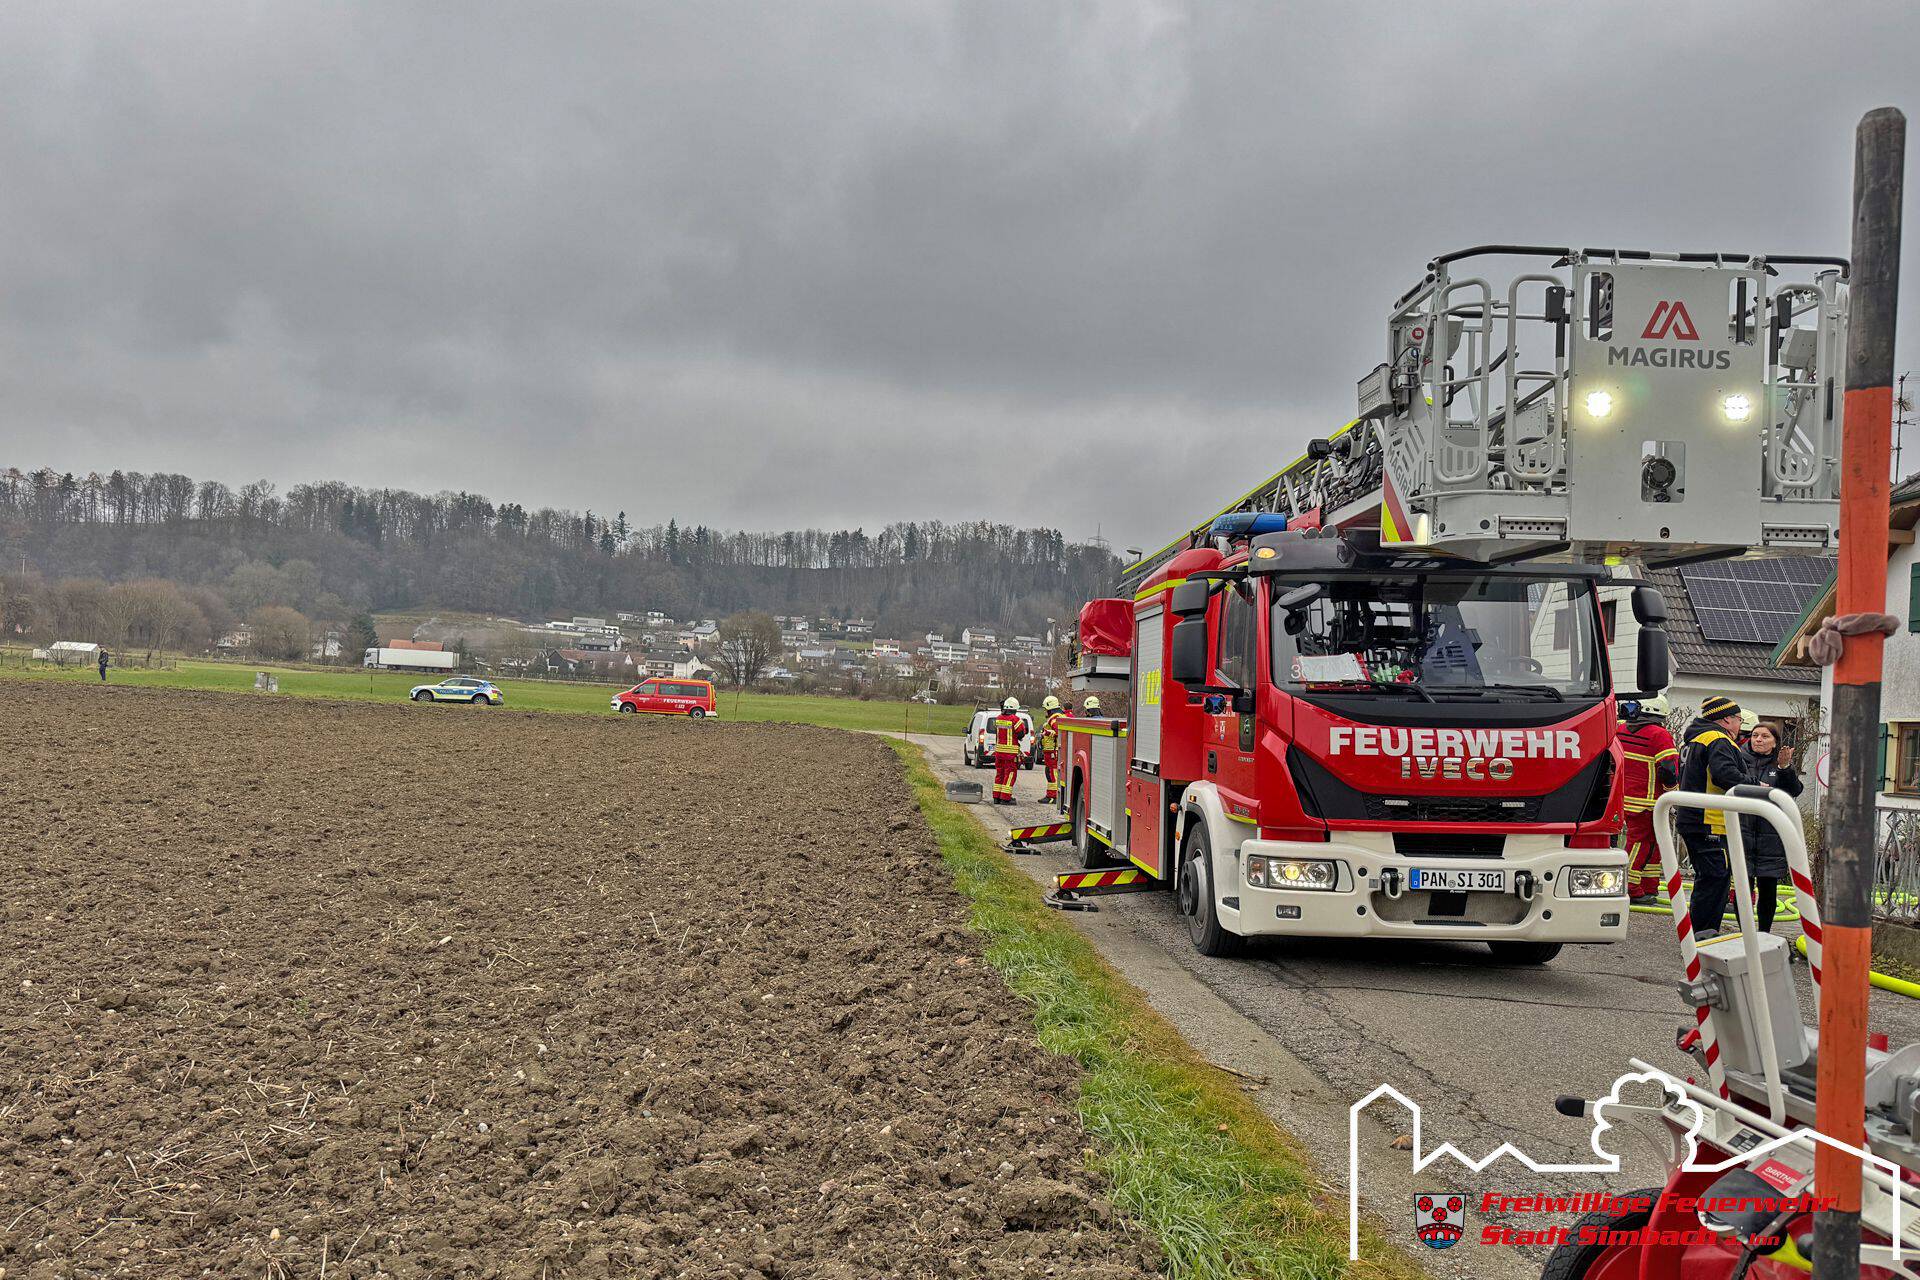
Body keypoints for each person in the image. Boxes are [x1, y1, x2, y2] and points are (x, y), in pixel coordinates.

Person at [1677, 694, 1750, 939]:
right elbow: (1724, 775)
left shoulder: (1693, 739)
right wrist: (1753, 784)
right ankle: (1704, 934)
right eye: (1739, 719)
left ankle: (1701, 933)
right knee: (1716, 876)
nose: (1740, 725)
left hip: (1692, 816)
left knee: (1708, 876)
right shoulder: (1718, 739)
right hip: (1710, 820)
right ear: (1727, 719)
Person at [1738, 721, 1804, 933]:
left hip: (1771, 836)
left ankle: (1764, 934)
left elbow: (1794, 790)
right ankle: (1745, 934)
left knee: (1768, 890)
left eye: (1765, 736)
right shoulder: (1738, 758)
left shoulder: (1780, 765)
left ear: (1775, 742)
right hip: (1742, 832)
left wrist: (1785, 768)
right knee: (1742, 888)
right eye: (1755, 735)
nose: (1758, 739)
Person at [1618, 693, 1678, 904]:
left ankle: (1648, 885)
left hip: (1623, 797)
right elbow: (1668, 768)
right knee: (1641, 843)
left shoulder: (1620, 729)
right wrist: (1673, 791)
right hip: (1648, 801)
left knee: (1652, 842)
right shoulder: (1658, 734)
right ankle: (1630, 887)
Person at [991, 696, 1024, 805]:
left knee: (999, 773)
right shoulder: (1015, 719)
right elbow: (1021, 734)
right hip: (1010, 753)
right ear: (1014, 709)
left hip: (999, 752)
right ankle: (1005, 798)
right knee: (1010, 774)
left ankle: (997, 797)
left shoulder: (998, 718)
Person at [1039, 695, 1066, 804]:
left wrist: (1046, 733)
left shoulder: (1054, 718)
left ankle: (1053, 796)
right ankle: (1051, 795)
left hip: (1053, 751)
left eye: (1046, 709)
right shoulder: (1059, 716)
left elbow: (1059, 732)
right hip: (1051, 751)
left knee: (1052, 772)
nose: (1045, 711)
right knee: (1050, 772)